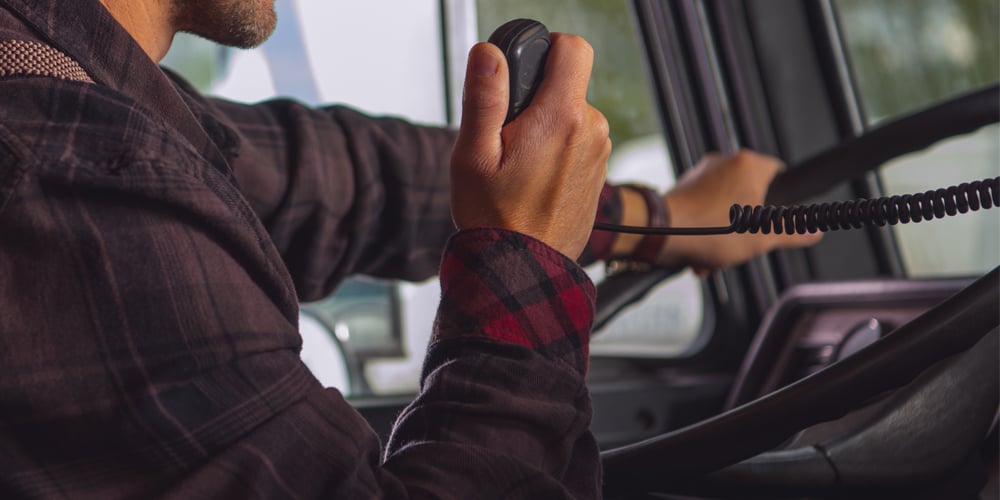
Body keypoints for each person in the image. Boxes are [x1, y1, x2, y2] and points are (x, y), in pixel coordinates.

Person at [0, 0, 819, 498]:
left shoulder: (66, 86)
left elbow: (341, 182)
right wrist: (529, 254)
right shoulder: (58, 168)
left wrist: (658, 217)